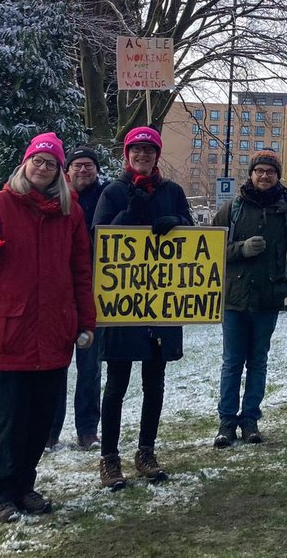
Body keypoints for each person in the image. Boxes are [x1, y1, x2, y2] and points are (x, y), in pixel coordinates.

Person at [0, 132, 94, 523]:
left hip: (53, 334)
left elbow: (80, 271)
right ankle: (1, 491)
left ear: (58, 172)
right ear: (26, 163)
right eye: (38, 160)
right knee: (8, 423)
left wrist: (86, 320)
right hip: (7, 334)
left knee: (39, 422)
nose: (43, 167)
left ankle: (24, 485)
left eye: (51, 163)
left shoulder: (70, 213)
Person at [92, 126, 193, 488]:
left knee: (155, 382)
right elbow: (97, 240)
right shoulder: (114, 192)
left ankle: (146, 451)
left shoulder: (173, 192)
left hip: (162, 302)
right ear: (127, 154)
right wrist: (126, 216)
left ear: (157, 155)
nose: (143, 156)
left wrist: (177, 222)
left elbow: (194, 234)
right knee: (116, 383)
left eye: (149, 150)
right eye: (137, 150)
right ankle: (110, 458)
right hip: (123, 303)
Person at [211, 150, 287, 447]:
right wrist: (239, 249)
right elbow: (208, 248)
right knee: (232, 362)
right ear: (251, 174)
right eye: (259, 171)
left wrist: (286, 286)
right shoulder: (232, 209)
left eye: (270, 171)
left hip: (267, 300)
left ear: (278, 176)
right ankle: (227, 421)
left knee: (258, 362)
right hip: (234, 300)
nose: (264, 175)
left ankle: (250, 419)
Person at [45, 147, 109, 451]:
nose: (84, 170)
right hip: (57, 296)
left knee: (90, 368)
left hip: (93, 295)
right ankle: (49, 432)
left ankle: (87, 431)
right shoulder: (53, 197)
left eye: (89, 166)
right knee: (53, 369)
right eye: (77, 165)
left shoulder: (107, 196)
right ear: (67, 170)